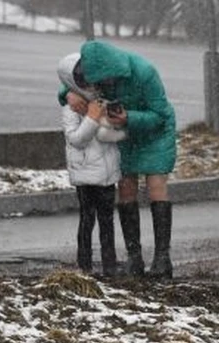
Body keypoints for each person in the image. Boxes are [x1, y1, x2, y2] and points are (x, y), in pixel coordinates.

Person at [59, 40, 178, 278]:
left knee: (156, 186)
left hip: (154, 132)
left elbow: (160, 114)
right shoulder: (99, 75)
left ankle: (162, 259)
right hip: (123, 134)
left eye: (103, 82)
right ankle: (134, 257)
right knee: (126, 187)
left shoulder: (145, 72)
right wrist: (66, 94)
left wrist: (129, 117)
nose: (100, 85)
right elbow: (77, 86)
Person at [57, 52, 124, 276]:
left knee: (107, 220)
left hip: (107, 173)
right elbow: (76, 139)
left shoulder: (102, 101)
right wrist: (92, 118)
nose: (90, 83)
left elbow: (115, 136)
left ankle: (109, 266)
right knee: (87, 219)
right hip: (85, 174)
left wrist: (108, 121)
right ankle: (84, 265)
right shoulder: (70, 108)